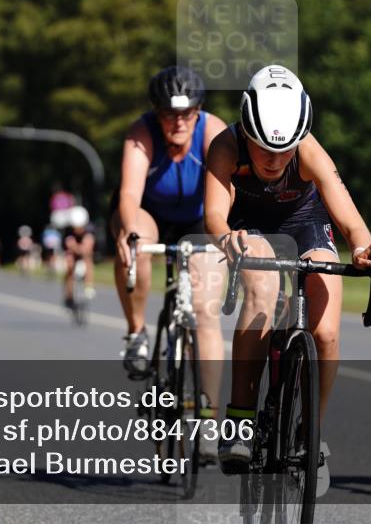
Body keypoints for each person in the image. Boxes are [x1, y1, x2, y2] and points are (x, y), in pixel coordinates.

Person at [204, 65, 371, 494]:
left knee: (325, 331)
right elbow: (214, 214)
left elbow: (351, 222)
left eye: (285, 149)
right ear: (247, 131)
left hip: (305, 223)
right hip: (249, 226)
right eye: (264, 148)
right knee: (262, 287)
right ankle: (241, 420)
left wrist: (365, 250)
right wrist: (226, 238)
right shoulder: (226, 145)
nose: (274, 159)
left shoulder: (308, 150)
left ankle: (312, 434)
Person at [111, 66, 229, 453]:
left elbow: (228, 194)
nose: (178, 122)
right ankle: (137, 333)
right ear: (156, 112)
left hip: (200, 217)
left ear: (198, 110)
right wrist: (129, 230)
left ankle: (208, 419)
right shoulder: (141, 133)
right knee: (136, 241)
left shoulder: (213, 132)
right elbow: (129, 194)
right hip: (150, 212)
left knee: (205, 310)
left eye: (186, 113)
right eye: (168, 114)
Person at [63, 206, 96, 308]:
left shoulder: (89, 230)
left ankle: (88, 286)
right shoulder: (68, 230)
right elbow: (69, 245)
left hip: (83, 247)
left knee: (88, 260)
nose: (77, 230)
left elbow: (88, 247)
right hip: (72, 250)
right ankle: (69, 295)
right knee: (70, 264)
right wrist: (74, 248)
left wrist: (79, 248)